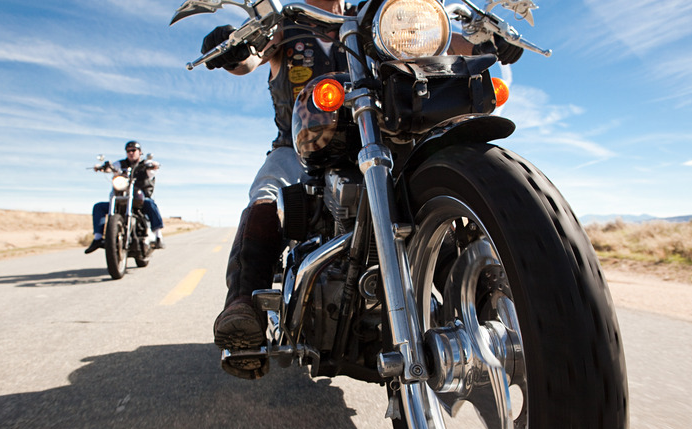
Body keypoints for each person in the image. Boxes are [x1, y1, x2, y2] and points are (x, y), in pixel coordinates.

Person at [202, 0, 524, 379]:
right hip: (299, 145)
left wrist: (487, 44)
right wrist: (233, 46)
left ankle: (503, 311)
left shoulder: (376, 15)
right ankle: (243, 304)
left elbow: (442, 38)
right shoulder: (285, 24)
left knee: (428, 191)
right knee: (269, 193)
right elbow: (252, 57)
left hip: (379, 136)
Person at [84, 140, 166, 254]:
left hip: (139, 199)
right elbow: (111, 168)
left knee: (150, 203)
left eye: (133, 150)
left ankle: (158, 237)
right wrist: (103, 167)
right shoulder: (121, 164)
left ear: (139, 152)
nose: (131, 153)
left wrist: (153, 165)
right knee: (99, 207)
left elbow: (154, 167)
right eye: (128, 151)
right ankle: (97, 238)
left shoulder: (145, 165)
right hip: (121, 198)